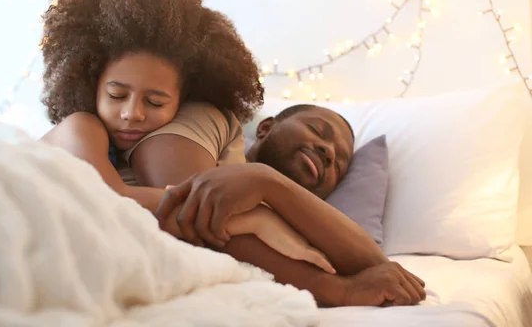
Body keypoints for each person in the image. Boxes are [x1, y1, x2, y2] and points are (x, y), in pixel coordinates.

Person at [39, 0, 333, 273]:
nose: (132, 113)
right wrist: (255, 217)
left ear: (182, 103)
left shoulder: (141, 150)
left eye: (155, 102)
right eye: (116, 95)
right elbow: (112, 197)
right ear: (90, 84)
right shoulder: (81, 127)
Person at [130, 101, 426, 307]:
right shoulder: (214, 122)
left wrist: (271, 185)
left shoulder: (307, 230)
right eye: (318, 131)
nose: (327, 152)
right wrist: (340, 290)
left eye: (339, 163)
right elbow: (193, 209)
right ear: (265, 128)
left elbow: (374, 267)